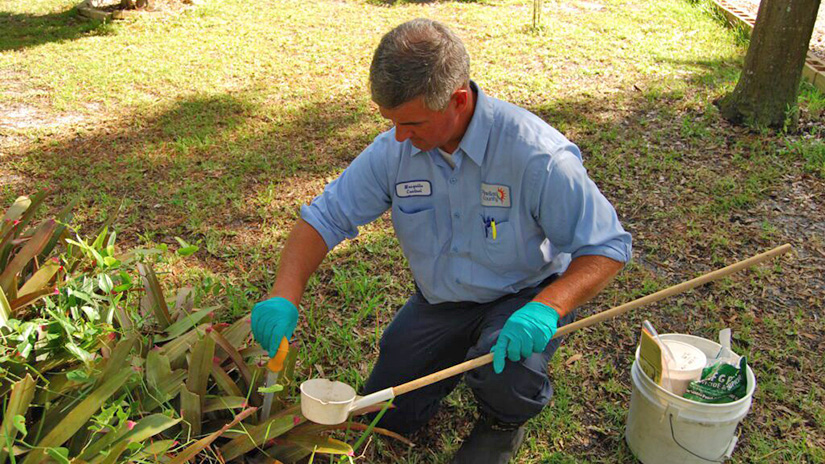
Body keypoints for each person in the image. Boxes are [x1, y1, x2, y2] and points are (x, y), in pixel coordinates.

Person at [251, 18, 632, 463]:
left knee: (508, 369)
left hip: (521, 296)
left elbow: (607, 247)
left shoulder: (538, 156)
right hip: (441, 302)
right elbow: (323, 219)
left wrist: (547, 308)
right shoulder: (396, 149)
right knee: (385, 412)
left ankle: (502, 424)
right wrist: (284, 295)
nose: (399, 136)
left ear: (458, 100)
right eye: (391, 121)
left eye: (412, 123)